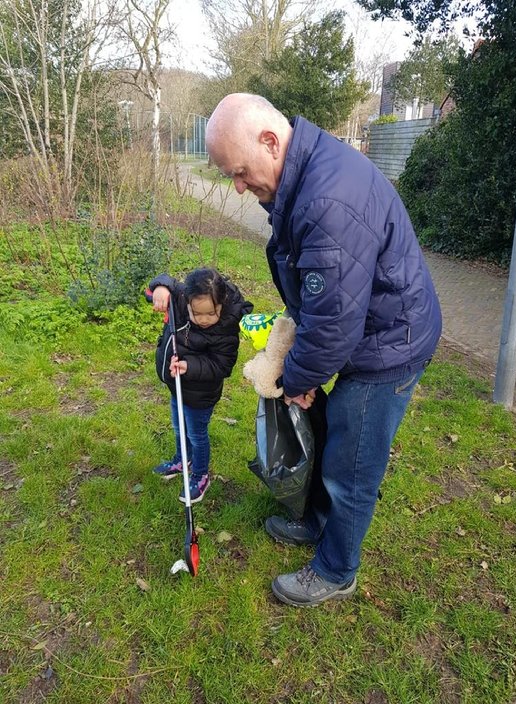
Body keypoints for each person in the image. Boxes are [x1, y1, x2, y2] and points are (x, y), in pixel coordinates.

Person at [205, 94, 442, 607]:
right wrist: (303, 371)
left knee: (352, 463)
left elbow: (333, 324)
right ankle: (316, 521)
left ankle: (337, 570)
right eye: (231, 176)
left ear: (271, 141)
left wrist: (296, 379)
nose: (239, 187)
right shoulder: (304, 173)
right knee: (333, 436)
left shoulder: (328, 200)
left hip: (389, 344)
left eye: (240, 172)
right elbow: (322, 295)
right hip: (367, 328)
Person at [149, 267, 253, 503]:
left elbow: (222, 365)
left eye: (210, 314)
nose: (204, 320)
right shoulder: (182, 299)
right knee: (178, 427)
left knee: (196, 435)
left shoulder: (226, 326)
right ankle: (181, 459)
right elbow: (166, 282)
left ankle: (200, 475)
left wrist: (189, 366)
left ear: (222, 304)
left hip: (201, 395)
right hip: (176, 387)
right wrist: (161, 288)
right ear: (187, 301)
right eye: (197, 314)